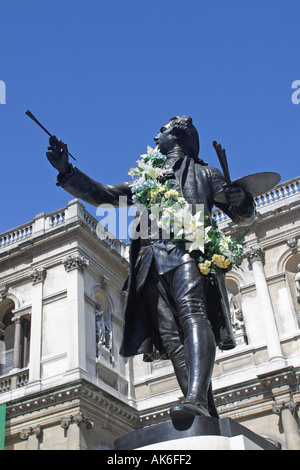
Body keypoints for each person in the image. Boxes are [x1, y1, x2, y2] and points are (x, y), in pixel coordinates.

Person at [46, 116, 255, 419]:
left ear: (179, 137)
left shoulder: (206, 173)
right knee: (171, 337)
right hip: (150, 259)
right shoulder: (148, 179)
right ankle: (203, 409)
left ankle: (196, 397)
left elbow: (242, 217)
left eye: (162, 131)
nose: (156, 136)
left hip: (188, 249)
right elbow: (104, 195)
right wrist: (66, 170)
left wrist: (243, 201)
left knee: (193, 313)